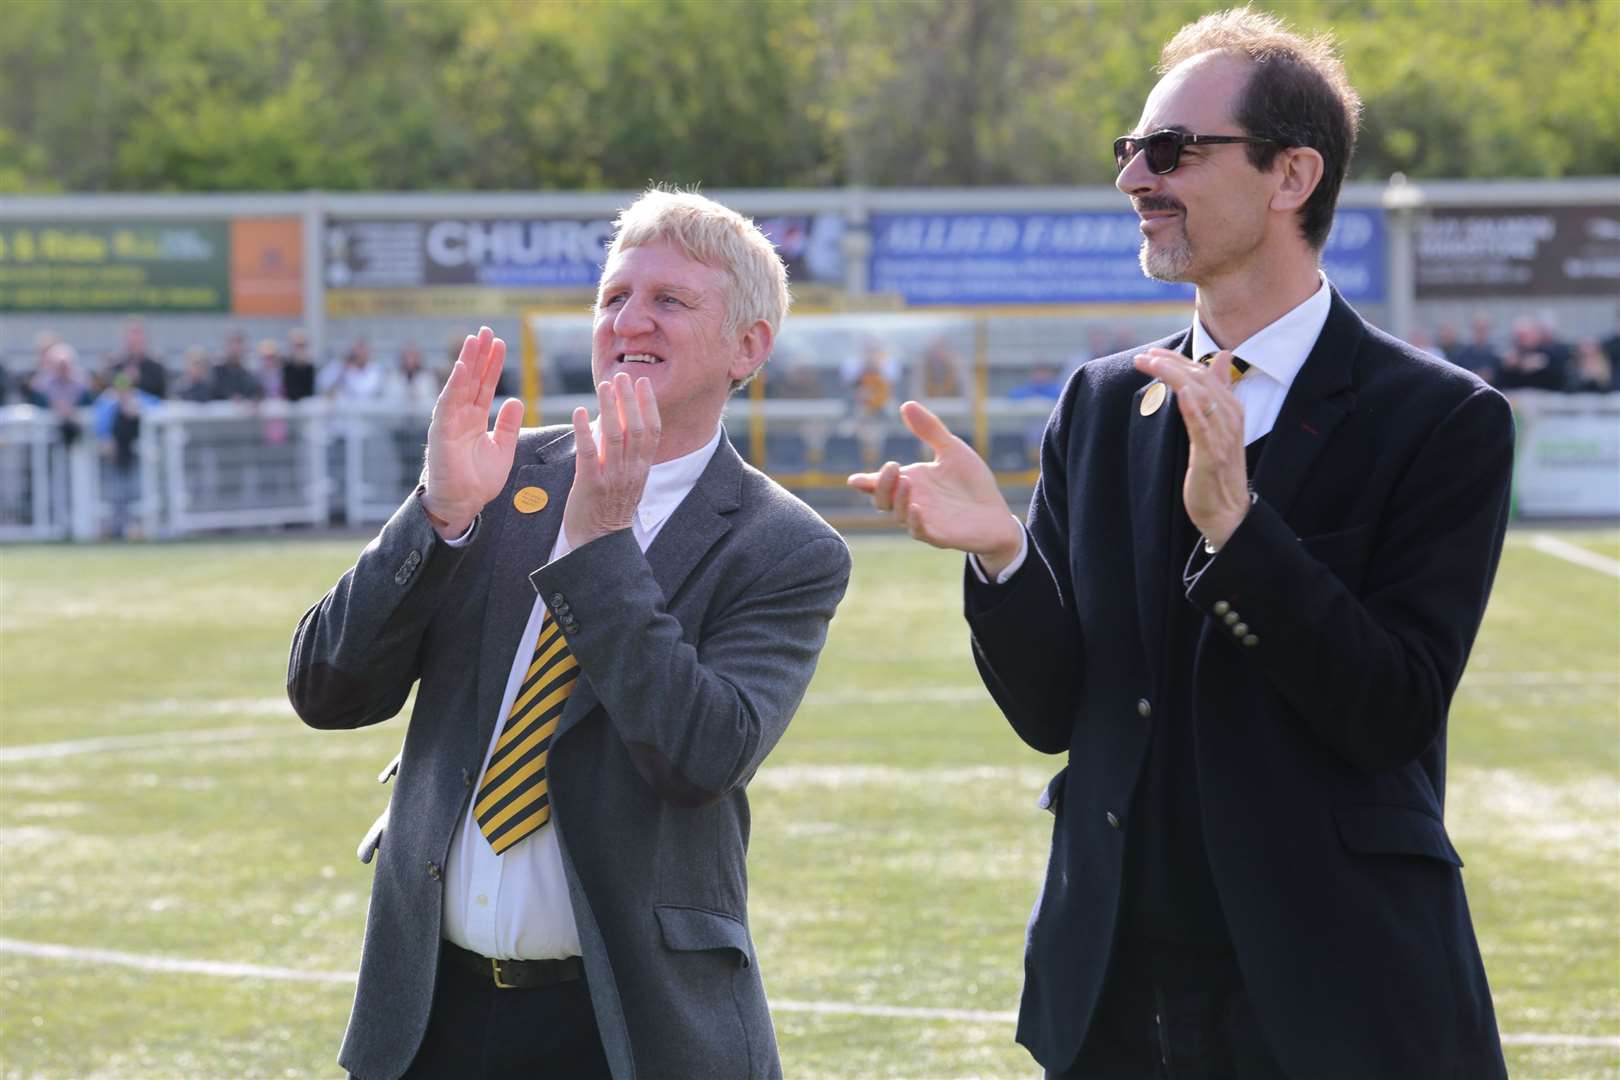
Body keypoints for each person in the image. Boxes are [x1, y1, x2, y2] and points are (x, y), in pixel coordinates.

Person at [851, 9, 1511, 1079]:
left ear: (1292, 175)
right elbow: (1053, 714)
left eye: (1171, 151)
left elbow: (1389, 712)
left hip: (1330, 1002)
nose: (1134, 181)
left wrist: (1239, 534)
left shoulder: (1439, 418)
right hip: (1112, 999)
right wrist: (1003, 559)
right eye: (1130, 151)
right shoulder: (1104, 401)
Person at [288, 188, 851, 1080]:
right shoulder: (497, 474)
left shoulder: (784, 546)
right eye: (614, 297)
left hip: (628, 1029)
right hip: (426, 1017)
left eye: (670, 300)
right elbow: (327, 691)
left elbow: (698, 758)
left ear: (749, 347)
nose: (631, 319)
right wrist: (437, 518)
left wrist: (598, 547)